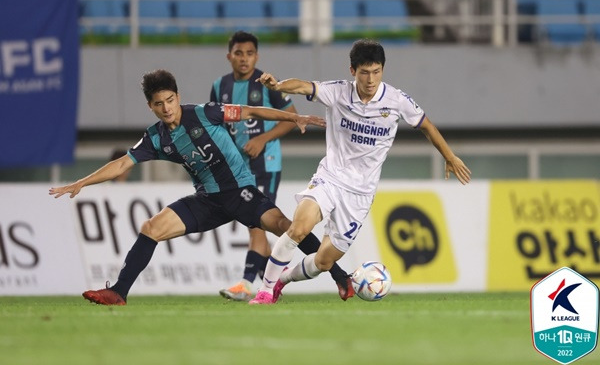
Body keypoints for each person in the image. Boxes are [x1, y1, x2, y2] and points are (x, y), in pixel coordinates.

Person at [48, 69, 350, 306]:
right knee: (151, 227)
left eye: (170, 100)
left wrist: (293, 116)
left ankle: (340, 276)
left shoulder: (205, 113)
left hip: (240, 192)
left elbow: (252, 111)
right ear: (150, 106)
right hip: (207, 200)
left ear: (177, 97)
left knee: (286, 225)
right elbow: (123, 164)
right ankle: (119, 292)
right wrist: (82, 182)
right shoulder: (156, 138)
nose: (166, 108)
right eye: (158, 104)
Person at [249, 39, 472, 304]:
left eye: (376, 72)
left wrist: (450, 157)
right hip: (330, 178)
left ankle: (282, 281)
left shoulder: (397, 101)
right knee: (299, 227)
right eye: (365, 72)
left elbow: (426, 125)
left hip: (360, 194)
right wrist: (278, 85)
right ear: (352, 70)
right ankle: (265, 290)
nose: (370, 79)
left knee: (323, 260)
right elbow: (303, 85)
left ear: (383, 70)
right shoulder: (339, 92)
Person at [209, 31, 353, 301]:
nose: (244, 59)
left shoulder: (265, 83)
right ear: (229, 56)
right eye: (238, 53)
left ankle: (247, 283)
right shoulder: (220, 86)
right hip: (238, 167)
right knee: (271, 225)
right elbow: (218, 124)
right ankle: (323, 275)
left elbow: (291, 118)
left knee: (256, 223)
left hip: (266, 163)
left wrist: (262, 139)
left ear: (257, 56)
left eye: (249, 53)